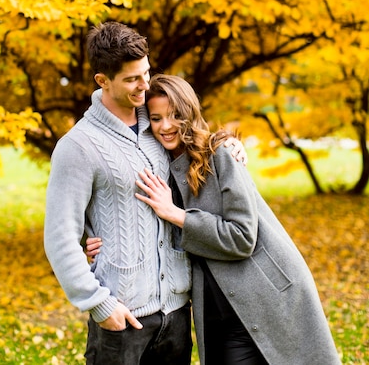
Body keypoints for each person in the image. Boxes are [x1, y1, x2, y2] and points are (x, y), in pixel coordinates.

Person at [88, 74, 341, 365]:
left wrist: (178, 215)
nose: (166, 126)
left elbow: (243, 237)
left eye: (175, 116)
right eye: (156, 118)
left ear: (190, 112)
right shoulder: (161, 165)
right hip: (214, 305)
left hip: (263, 295)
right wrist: (100, 243)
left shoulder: (220, 154)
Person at [44, 21, 245, 365]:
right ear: (102, 81)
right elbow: (60, 238)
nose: (144, 85)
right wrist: (100, 305)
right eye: (132, 79)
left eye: (147, 73)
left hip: (177, 313)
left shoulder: (158, 123)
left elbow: (198, 144)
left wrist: (228, 144)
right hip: (123, 319)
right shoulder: (77, 146)